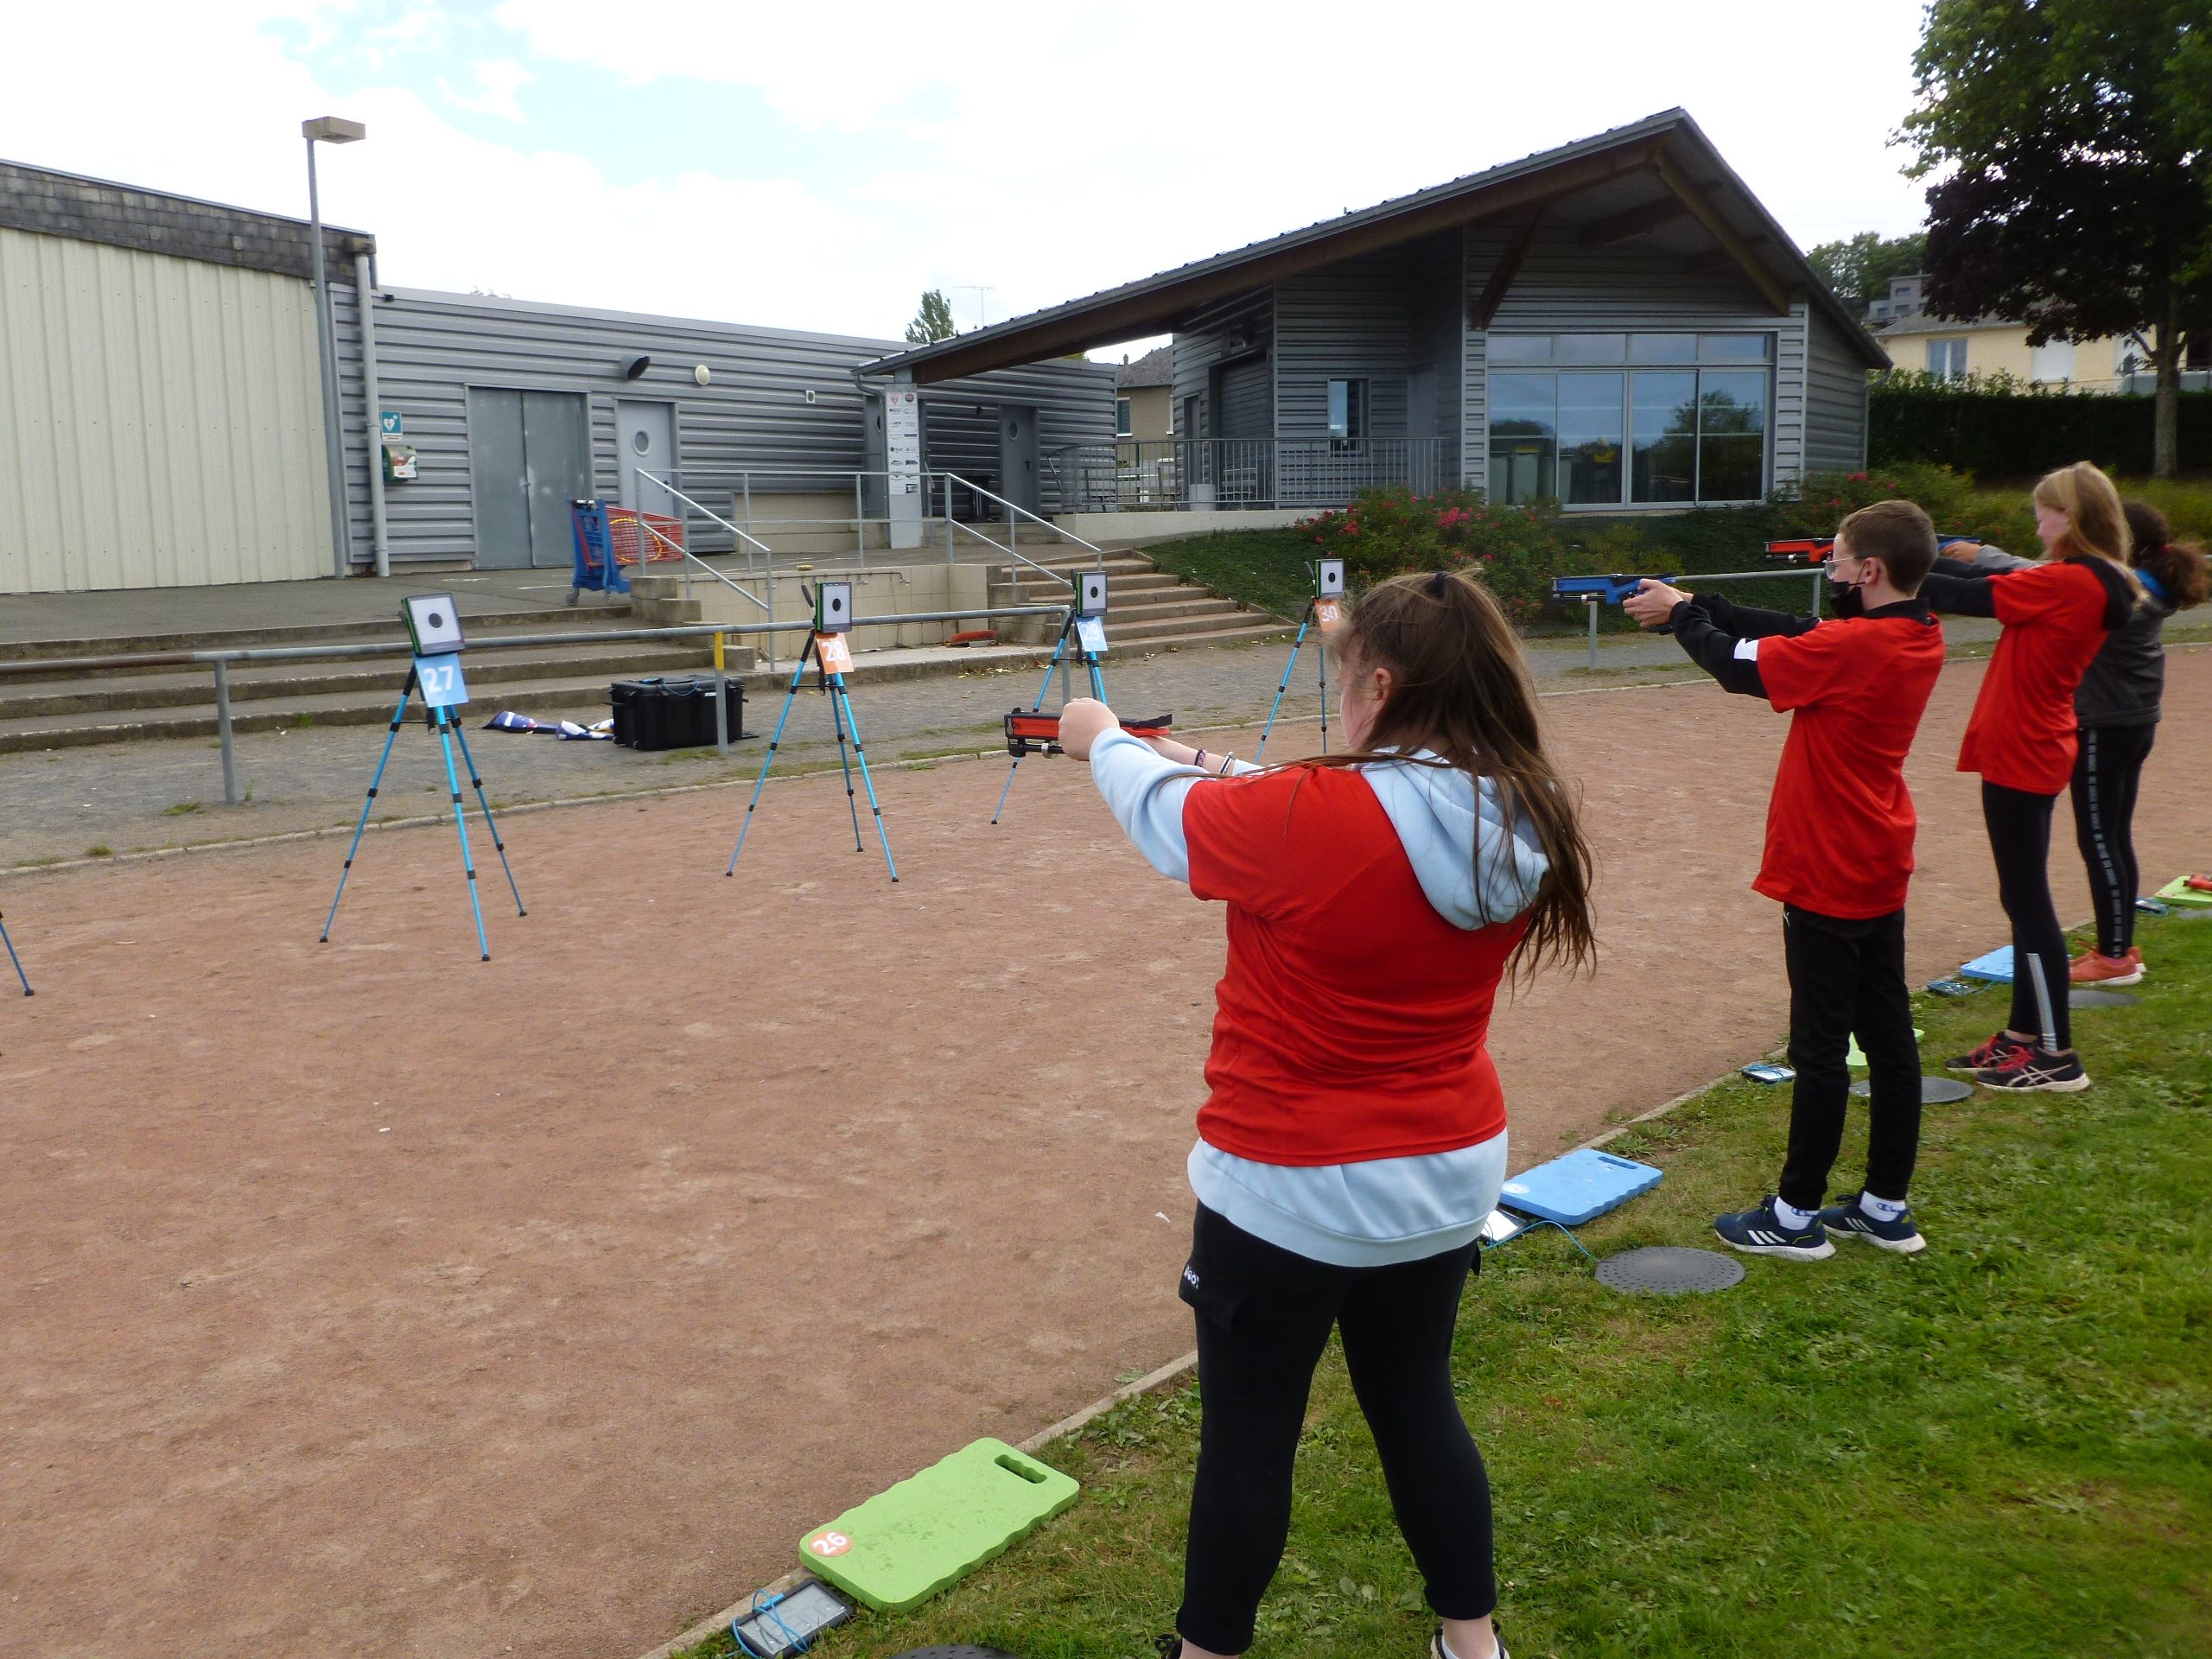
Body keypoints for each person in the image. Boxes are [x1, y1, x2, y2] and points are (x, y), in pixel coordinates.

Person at [1053, 569, 1595, 1659]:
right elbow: (1364, 806)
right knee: (1415, 1405)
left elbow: (1178, 823)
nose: (1338, 705)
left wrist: (1101, 735)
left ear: (1383, 684)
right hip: (1444, 1177)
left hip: (1287, 1188)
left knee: (1248, 1440)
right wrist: (1206, 757)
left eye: (1345, 683)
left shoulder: (1315, 816)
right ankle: (1471, 1643)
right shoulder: (1517, 801)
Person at [1623, 499, 1945, 1258]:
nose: (1827, 573)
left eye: (1835, 561)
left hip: (1827, 866)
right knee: (1890, 1039)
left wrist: (1681, 620)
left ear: (1870, 571)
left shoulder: (1859, 646)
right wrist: (1706, 604)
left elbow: (1741, 669)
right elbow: (1800, 632)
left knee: (1821, 1048)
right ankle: (1884, 1204)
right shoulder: (1914, 631)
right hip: (1876, 860)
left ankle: (1796, 1217)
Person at [1916, 462, 2139, 1090]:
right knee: (2022, 898)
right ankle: (2022, 1036)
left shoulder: (2073, 581)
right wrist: (1916, 558)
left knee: (2027, 899)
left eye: (2044, 509)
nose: (2036, 520)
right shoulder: (2079, 578)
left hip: (2025, 748)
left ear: (2070, 517)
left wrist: (1892, 566)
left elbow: (1969, 596)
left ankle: (2055, 1052)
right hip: (2030, 744)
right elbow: (1980, 574)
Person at [2067, 501, 2211, 984]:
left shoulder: (2124, 593)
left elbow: (2039, 578)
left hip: (2103, 727)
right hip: (2131, 724)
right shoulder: (2145, 585)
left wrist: (1979, 557)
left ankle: (2114, 959)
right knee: (2113, 835)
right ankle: (2120, 945)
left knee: (2099, 840)